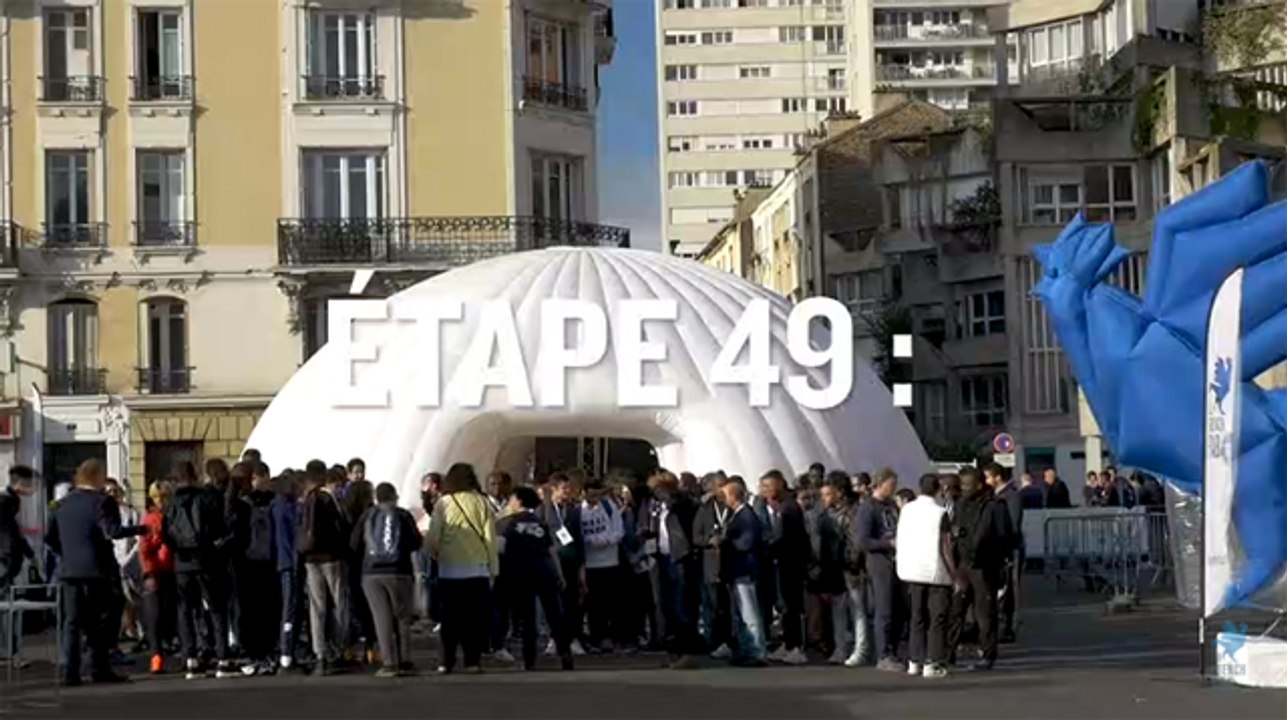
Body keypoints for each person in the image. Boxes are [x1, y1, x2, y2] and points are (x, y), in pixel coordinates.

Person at [45, 459, 144, 686]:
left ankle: (70, 672)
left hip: (68, 571)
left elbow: (49, 538)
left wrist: (67, 553)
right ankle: (100, 669)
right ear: (97, 476)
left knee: (72, 622)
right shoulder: (102, 502)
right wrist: (141, 529)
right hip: (96, 570)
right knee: (97, 623)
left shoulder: (59, 505)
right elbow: (112, 531)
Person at [165, 459, 235, 680]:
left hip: (182, 563)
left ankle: (191, 660)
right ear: (194, 475)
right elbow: (221, 527)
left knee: (185, 610)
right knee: (216, 608)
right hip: (207, 560)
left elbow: (165, 533)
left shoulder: (172, 502)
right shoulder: (208, 497)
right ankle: (223, 659)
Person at [427, 463, 498, 674]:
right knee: (474, 619)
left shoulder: (443, 503)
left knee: (449, 618)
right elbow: (490, 538)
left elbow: (433, 537)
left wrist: (436, 554)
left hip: (450, 569)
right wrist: (493, 569)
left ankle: (445, 662)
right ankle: (472, 662)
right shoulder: (482, 502)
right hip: (477, 569)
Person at [497, 486, 573, 671]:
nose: (510, 503)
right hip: (545, 570)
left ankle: (529, 660)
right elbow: (551, 549)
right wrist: (559, 573)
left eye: (512, 499)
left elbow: (499, 549)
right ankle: (565, 653)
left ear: (519, 501)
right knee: (554, 614)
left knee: (528, 618)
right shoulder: (540, 523)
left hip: (522, 572)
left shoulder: (505, 524)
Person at [947, 467, 1016, 671]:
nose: (965, 489)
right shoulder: (960, 504)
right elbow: (953, 528)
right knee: (956, 609)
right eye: (963, 485)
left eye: (968, 485)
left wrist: (1001, 558)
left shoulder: (995, 506)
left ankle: (987, 654)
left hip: (985, 565)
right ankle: (949, 652)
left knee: (985, 612)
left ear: (979, 484)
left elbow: (1005, 535)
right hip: (963, 564)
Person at [351, 482, 422, 677]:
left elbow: (354, 544)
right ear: (394, 496)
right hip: (400, 572)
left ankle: (389, 664)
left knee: (381, 618)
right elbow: (416, 542)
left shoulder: (368, 515)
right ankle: (406, 661)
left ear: (376, 497)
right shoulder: (403, 515)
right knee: (402, 618)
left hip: (371, 574)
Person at [896, 474, 957, 679]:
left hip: (911, 570)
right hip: (935, 572)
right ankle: (932, 662)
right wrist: (954, 575)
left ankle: (914, 661)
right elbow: (946, 547)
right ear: (938, 489)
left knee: (916, 617)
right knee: (937, 619)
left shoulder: (907, 509)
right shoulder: (940, 513)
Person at [298, 460, 351, 675]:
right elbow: (340, 528)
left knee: (316, 607)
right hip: (331, 557)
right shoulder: (329, 499)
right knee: (339, 603)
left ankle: (319, 654)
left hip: (311, 558)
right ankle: (338, 650)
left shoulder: (306, 499)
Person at [754, 470, 809, 665]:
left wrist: (772, 547)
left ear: (779, 485)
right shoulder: (769, 507)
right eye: (762, 487)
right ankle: (787, 643)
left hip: (791, 563)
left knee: (792, 605)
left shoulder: (789, 508)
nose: (764, 490)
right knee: (783, 605)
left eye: (768, 486)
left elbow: (790, 538)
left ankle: (796, 646)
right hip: (778, 563)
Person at [646, 471, 699, 669]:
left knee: (682, 604)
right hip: (661, 557)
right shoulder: (656, 507)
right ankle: (672, 649)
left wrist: (671, 500)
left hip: (679, 558)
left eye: (659, 490)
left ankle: (687, 650)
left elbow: (686, 524)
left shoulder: (682, 505)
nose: (656, 494)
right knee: (664, 604)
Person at [858, 468, 902, 672]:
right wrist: (888, 544)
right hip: (879, 561)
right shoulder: (869, 507)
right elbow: (864, 540)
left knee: (897, 608)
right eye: (891, 484)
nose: (894, 488)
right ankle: (883, 653)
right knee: (883, 608)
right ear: (880, 484)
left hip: (897, 561)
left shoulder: (892, 505)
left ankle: (893, 649)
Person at [238, 462, 280, 675]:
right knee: (254, 610)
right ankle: (255, 652)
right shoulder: (245, 502)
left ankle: (265, 651)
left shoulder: (272, 501)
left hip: (266, 560)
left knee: (267, 609)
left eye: (259, 477)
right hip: (252, 561)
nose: (256, 482)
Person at [718, 481, 766, 667]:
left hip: (744, 568)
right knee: (740, 612)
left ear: (734, 495)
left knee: (749, 612)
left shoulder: (746, 516)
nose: (724, 499)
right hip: (736, 569)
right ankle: (746, 648)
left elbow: (747, 542)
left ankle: (757, 650)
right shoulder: (737, 515)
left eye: (726, 495)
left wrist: (725, 542)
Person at [539, 473, 586, 657]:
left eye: (569, 488)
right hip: (552, 562)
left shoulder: (573, 510)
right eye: (564, 488)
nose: (567, 492)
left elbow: (579, 539)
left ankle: (572, 638)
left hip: (571, 562)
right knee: (552, 603)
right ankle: (554, 639)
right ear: (554, 490)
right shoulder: (543, 511)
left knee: (572, 602)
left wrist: (582, 567)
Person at [579, 479, 625, 652]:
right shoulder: (579, 510)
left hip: (610, 561)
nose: (594, 498)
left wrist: (607, 540)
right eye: (591, 495)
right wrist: (589, 541)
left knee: (611, 602)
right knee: (593, 603)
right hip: (590, 564)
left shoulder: (608, 506)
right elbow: (575, 533)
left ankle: (610, 637)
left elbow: (619, 530)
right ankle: (596, 636)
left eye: (597, 495)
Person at [138, 481, 177, 675]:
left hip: (172, 569)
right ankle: (156, 655)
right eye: (157, 497)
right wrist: (149, 572)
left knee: (169, 613)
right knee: (155, 616)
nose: (161, 501)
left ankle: (166, 649)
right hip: (157, 570)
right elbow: (144, 549)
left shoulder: (171, 515)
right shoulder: (150, 520)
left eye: (164, 497)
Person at [0, 466, 37, 668]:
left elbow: (14, 532)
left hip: (5, 562)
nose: (33, 488)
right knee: (7, 608)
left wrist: (28, 554)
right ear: (20, 483)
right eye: (30, 483)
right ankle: (9, 653)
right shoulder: (6, 501)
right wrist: (7, 556)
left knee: (6, 607)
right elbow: (9, 533)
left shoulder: (9, 501)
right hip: (3, 563)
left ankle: (8, 652)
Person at [692, 473, 731, 656]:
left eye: (725, 485)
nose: (722, 489)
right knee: (713, 606)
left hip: (731, 562)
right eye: (719, 486)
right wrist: (709, 540)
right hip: (711, 564)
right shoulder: (705, 509)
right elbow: (696, 537)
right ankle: (714, 640)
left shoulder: (733, 507)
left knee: (730, 606)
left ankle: (731, 641)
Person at [984, 463, 1023, 644]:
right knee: (1002, 589)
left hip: (1010, 548)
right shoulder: (997, 495)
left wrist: (1007, 544)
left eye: (988, 477)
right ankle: (1003, 624)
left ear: (997, 477)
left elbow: (1014, 524)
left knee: (1010, 589)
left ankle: (1009, 627)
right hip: (999, 548)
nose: (986, 481)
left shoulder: (1011, 495)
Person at [814, 477, 850, 664]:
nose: (825, 498)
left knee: (846, 612)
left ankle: (843, 648)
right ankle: (838, 647)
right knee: (836, 612)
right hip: (830, 568)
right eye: (823, 495)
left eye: (828, 494)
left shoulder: (844, 516)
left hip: (842, 568)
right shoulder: (823, 517)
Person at [271, 470, 304, 670]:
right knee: (290, 608)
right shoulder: (288, 508)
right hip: (290, 563)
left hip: (282, 562)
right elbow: (292, 537)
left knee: (290, 606)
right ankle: (287, 651)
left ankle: (287, 651)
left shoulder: (276, 506)